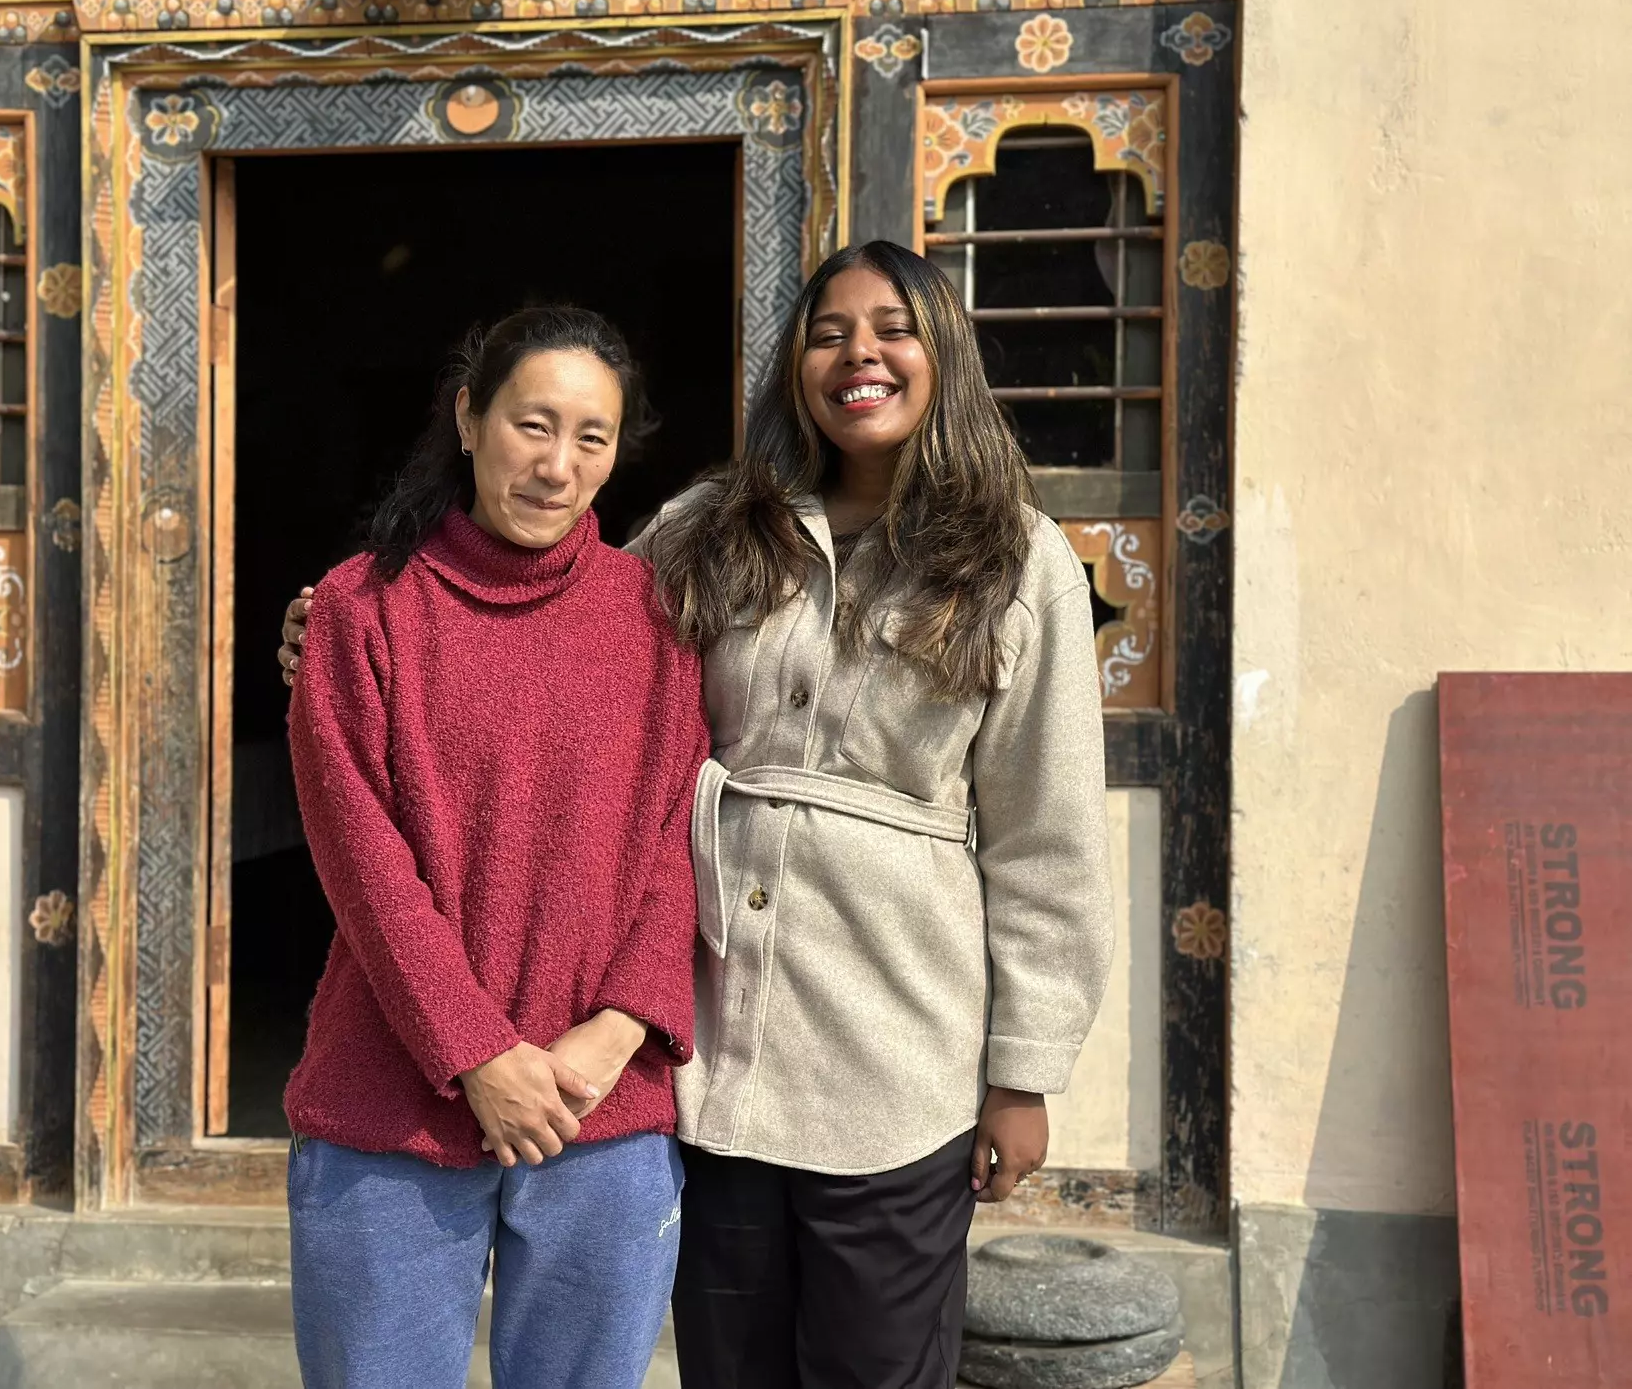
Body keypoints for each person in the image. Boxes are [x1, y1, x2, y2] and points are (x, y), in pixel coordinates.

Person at [283, 243, 1113, 1388]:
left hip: (885, 1042)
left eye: (892, 329)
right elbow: (537, 619)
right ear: (467, 416)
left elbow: (1045, 831)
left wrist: (1024, 1069)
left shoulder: (1016, 562)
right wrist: (330, 619)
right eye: (828, 331)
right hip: (718, 1064)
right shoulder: (719, 531)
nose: (858, 355)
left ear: (946, 356)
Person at [280, 306, 709, 1389]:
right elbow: (361, 859)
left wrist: (618, 1032)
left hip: (597, 1108)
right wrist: (475, 1052)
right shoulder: (359, 607)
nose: (558, 465)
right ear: (468, 417)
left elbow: (679, 841)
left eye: (592, 437)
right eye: (533, 423)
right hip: (389, 1107)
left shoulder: (655, 615)